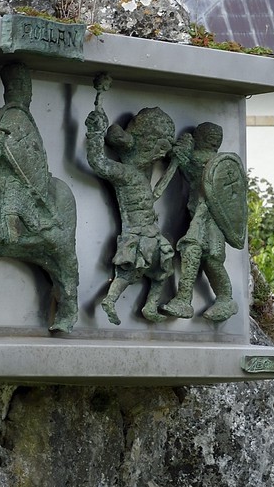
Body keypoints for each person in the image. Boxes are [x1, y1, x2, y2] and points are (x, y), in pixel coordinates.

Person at [86, 75, 179, 324]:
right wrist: (95, 133)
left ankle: (148, 306)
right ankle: (111, 300)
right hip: (137, 234)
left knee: (162, 271)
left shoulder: (143, 172)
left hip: (151, 232)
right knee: (131, 272)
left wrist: (174, 165)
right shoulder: (125, 172)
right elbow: (98, 163)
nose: (161, 155)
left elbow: (156, 193)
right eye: (158, 148)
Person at [160, 123, 243, 322]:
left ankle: (219, 299)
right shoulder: (211, 161)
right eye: (212, 136)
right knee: (197, 252)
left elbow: (190, 166)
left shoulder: (209, 161)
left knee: (206, 257)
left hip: (210, 216)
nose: (215, 139)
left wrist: (181, 152)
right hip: (200, 214)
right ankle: (187, 299)